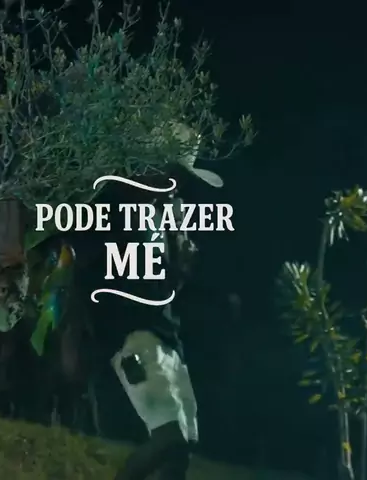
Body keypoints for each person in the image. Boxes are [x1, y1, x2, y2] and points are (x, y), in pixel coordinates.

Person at [75, 125, 222, 480]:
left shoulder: (166, 211)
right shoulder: (113, 206)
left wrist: (181, 264)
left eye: (180, 177)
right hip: (134, 334)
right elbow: (89, 271)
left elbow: (166, 286)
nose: (176, 184)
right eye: (172, 172)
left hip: (167, 334)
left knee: (182, 448)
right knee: (170, 439)